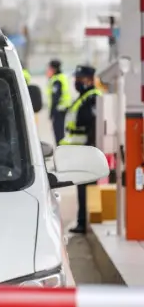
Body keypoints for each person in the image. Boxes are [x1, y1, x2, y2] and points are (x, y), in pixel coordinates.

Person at [60, 65, 102, 234]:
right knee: (81, 187)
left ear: (90, 80)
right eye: (76, 79)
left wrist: (90, 149)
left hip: (87, 149)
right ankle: (82, 221)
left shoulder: (93, 98)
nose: (77, 82)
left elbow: (93, 125)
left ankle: (84, 222)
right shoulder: (82, 97)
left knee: (86, 188)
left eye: (80, 79)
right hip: (80, 150)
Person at [46, 59, 72, 145]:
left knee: (58, 133)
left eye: (49, 68)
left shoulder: (57, 80)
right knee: (60, 132)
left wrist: (52, 112)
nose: (47, 70)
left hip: (59, 110)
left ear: (53, 69)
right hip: (62, 109)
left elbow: (55, 98)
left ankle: (60, 150)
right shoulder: (62, 77)